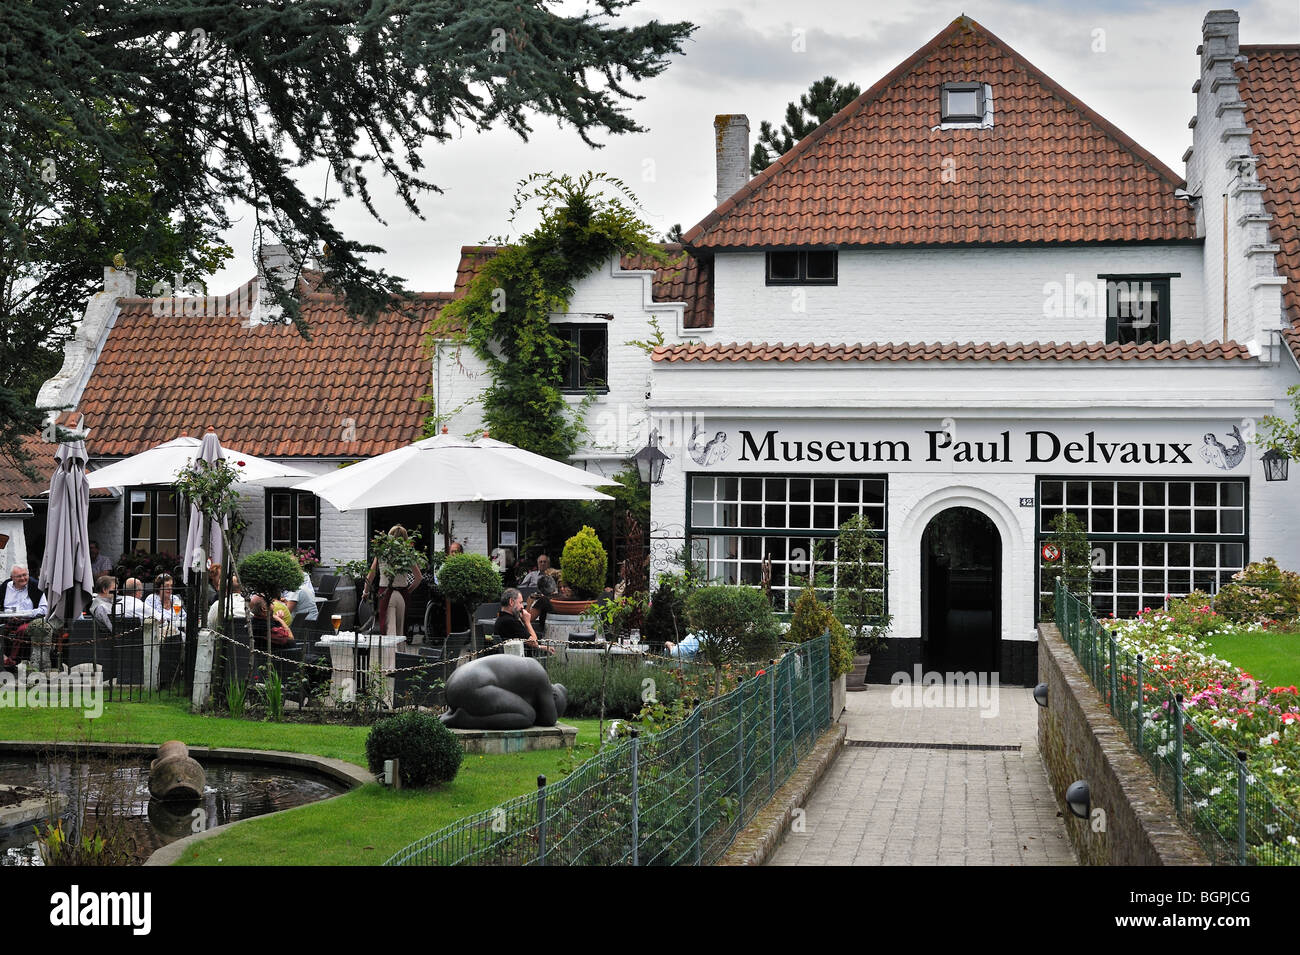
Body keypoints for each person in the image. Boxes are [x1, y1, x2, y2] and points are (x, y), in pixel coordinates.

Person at [363, 525, 424, 637]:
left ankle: (391, 655)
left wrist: (365, 592)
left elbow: (371, 575)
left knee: (389, 632)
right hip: (402, 594)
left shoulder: (381, 553)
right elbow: (419, 578)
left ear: (389, 537)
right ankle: (402, 654)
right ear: (405, 538)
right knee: (401, 633)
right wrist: (408, 591)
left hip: (386, 593)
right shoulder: (407, 554)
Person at [1, 565, 47, 667]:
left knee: (22, 630)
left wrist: (27, 614)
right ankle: (3, 657)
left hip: (31, 620)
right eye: (19, 576)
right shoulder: (5, 586)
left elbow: (44, 609)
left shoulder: (36, 586)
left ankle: (13, 660)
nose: (23, 578)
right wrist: (9, 614)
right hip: (9, 619)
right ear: (12, 577)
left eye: (24, 575)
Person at [494, 587, 553, 655]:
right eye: (520, 602)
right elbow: (534, 642)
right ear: (511, 602)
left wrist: (541, 647)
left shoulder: (502, 618)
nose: (522, 607)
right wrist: (527, 622)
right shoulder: (510, 622)